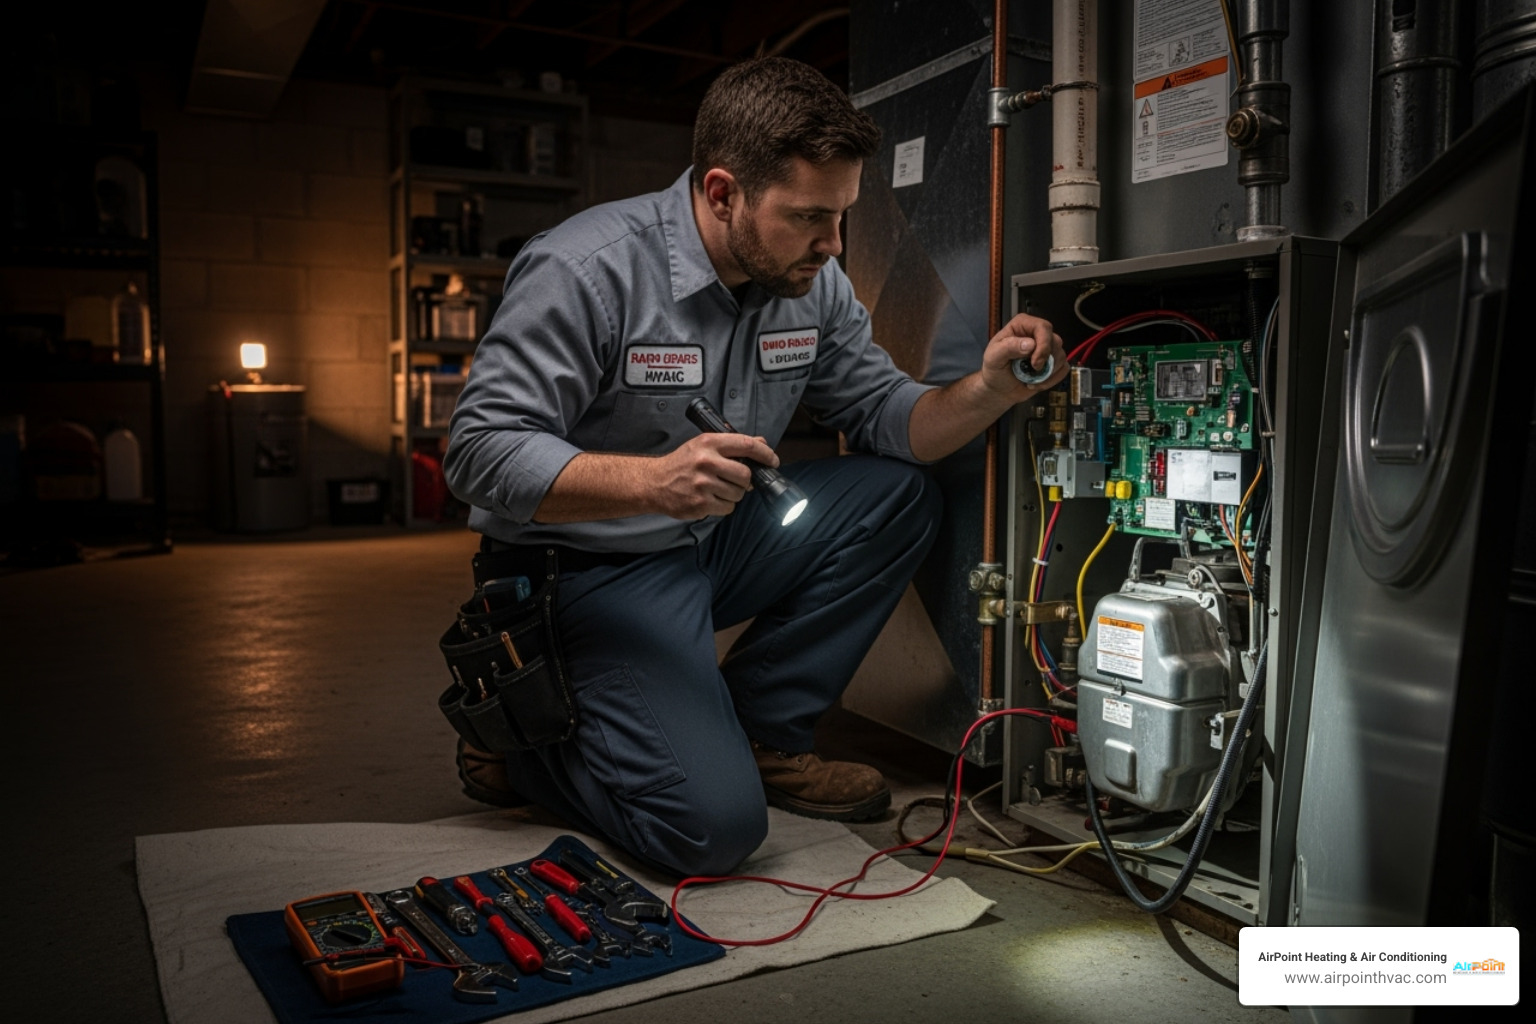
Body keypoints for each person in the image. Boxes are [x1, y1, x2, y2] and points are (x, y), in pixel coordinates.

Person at [443, 56, 1066, 877]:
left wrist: (988, 388)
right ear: (722, 192)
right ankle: (517, 742)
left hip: (709, 540)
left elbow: (893, 422)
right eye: (811, 217)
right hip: (582, 570)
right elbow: (479, 453)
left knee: (895, 497)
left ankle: (763, 731)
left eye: (842, 215)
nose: (833, 244)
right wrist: (652, 482)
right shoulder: (586, 270)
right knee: (712, 833)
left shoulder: (811, 285)